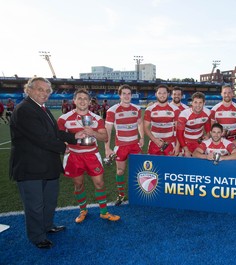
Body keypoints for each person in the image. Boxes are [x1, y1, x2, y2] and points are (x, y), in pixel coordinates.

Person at [9, 77, 84, 249]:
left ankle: (47, 226)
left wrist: (73, 136)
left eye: (47, 91)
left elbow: (54, 132)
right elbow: (41, 138)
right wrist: (63, 147)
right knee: (35, 205)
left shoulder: (41, 108)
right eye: (39, 89)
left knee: (49, 200)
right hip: (31, 167)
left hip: (47, 164)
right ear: (29, 90)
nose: (44, 93)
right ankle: (37, 236)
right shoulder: (25, 110)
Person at [57, 89, 120, 224]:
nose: (82, 101)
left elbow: (105, 137)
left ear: (89, 102)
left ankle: (104, 212)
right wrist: (65, 145)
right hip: (74, 156)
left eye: (85, 98)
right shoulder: (64, 119)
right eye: (79, 98)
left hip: (92, 155)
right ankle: (83, 210)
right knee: (78, 185)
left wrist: (93, 133)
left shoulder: (96, 119)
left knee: (99, 183)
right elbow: (59, 136)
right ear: (74, 101)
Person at [105, 85, 144, 206]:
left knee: (139, 171)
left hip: (134, 145)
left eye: (129, 94)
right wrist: (107, 147)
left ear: (131, 95)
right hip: (121, 146)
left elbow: (140, 123)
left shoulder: (137, 109)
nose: (127, 96)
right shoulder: (112, 110)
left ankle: (140, 194)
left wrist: (142, 137)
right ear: (120, 95)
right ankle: (121, 195)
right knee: (120, 171)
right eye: (124, 94)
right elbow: (108, 129)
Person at [144, 85, 181, 156]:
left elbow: (179, 129)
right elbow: (145, 127)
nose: (162, 95)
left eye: (164, 93)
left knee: (169, 166)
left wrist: (177, 146)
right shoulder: (149, 109)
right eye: (159, 93)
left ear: (168, 94)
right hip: (154, 142)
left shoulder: (175, 109)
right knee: (153, 166)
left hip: (170, 143)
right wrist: (155, 140)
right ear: (156, 94)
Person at [177, 92, 211, 157]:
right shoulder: (184, 115)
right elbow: (179, 135)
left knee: (199, 162)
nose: (198, 105)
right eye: (195, 102)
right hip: (186, 141)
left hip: (199, 141)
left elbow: (208, 126)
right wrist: (186, 149)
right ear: (192, 103)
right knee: (186, 163)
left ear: (204, 103)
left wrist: (208, 135)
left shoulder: (208, 112)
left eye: (200, 102)